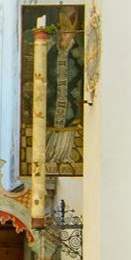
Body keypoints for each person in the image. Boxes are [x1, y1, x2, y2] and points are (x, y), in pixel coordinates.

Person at [46, 13, 86, 165]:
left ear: (73, 34)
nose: (64, 36)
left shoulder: (78, 51)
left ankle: (63, 154)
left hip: (72, 98)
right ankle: (51, 155)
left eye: (67, 32)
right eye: (62, 32)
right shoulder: (53, 51)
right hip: (53, 99)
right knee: (52, 125)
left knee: (68, 126)